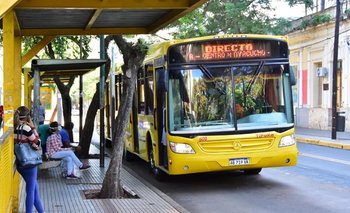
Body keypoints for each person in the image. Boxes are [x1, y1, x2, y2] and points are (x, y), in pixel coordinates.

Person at [14, 106, 45, 213]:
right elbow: (37, 143)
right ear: (28, 116)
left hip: (20, 163)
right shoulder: (26, 128)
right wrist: (33, 128)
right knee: (31, 191)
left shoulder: (14, 128)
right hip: (30, 163)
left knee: (34, 190)